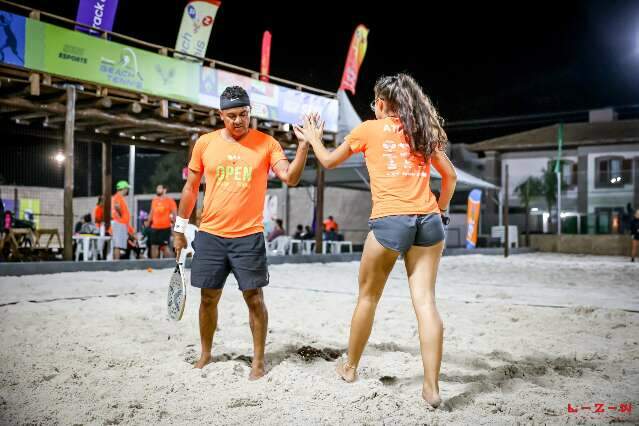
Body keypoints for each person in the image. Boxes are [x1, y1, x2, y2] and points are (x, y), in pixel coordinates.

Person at [296, 73, 457, 408]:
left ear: (381, 103)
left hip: (390, 221)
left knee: (368, 298)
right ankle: (431, 388)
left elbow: (326, 161)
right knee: (425, 303)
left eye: (375, 102)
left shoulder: (368, 129)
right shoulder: (423, 130)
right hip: (428, 221)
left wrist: (312, 137)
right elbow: (450, 177)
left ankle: (350, 368)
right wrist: (440, 209)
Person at [173, 86, 309, 380]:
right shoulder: (205, 144)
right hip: (210, 235)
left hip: (248, 236)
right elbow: (190, 189)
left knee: (255, 298)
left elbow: (291, 177)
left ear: (250, 113)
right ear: (220, 115)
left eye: (244, 114)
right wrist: (179, 229)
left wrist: (303, 147)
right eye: (232, 115)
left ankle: (258, 362)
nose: (238, 120)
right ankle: (206, 354)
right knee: (208, 299)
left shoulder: (267, 143)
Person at [148, 184, 177, 258]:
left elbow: (174, 214)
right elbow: (151, 213)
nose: (157, 189)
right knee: (154, 246)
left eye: (159, 188)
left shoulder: (170, 201)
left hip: (165, 228)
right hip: (154, 228)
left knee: (165, 247)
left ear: (164, 190)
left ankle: (171, 263)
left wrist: (175, 225)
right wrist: (147, 223)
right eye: (157, 188)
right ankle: (154, 265)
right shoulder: (154, 200)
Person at [111, 180, 131, 260]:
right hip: (119, 223)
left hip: (120, 223)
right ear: (124, 188)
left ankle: (116, 261)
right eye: (127, 188)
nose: (127, 190)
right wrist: (121, 215)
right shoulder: (118, 196)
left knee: (118, 245)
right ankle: (116, 262)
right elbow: (117, 206)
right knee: (117, 245)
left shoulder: (118, 197)